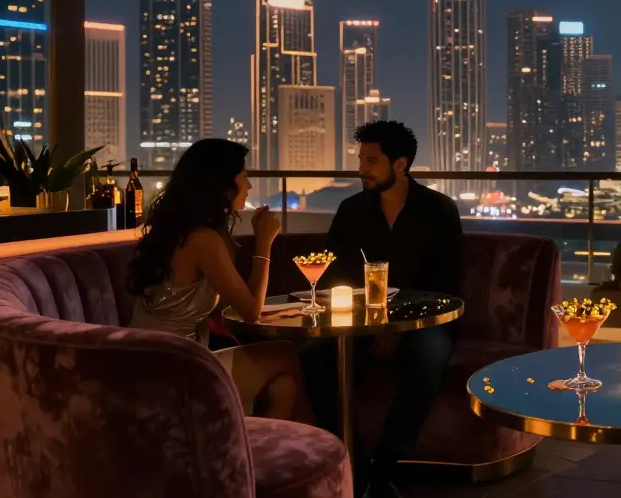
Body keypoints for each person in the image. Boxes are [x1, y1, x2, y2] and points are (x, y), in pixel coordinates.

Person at [301, 120, 462, 498]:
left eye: (372, 160)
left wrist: (396, 326)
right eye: (361, 159)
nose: (361, 169)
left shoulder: (438, 210)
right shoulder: (352, 210)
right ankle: (353, 464)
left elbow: (445, 287)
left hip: (423, 322)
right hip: (361, 321)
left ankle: (384, 469)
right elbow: (334, 279)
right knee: (314, 354)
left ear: (400, 164)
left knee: (429, 358)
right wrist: (370, 322)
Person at [127, 138, 311, 423]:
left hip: (158, 358)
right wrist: (264, 244)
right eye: (245, 176)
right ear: (223, 183)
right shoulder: (203, 240)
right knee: (286, 353)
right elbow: (250, 311)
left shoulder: (186, 230)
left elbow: (234, 305)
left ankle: (267, 461)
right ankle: (330, 452)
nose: (249, 186)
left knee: (284, 388)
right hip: (169, 369)